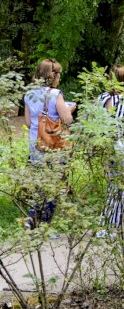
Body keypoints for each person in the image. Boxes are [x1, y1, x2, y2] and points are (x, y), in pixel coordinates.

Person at [23, 59, 77, 227]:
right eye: (58, 73)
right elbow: (67, 120)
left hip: (35, 147)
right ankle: (44, 226)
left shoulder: (29, 94)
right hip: (54, 148)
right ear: (52, 75)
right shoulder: (55, 94)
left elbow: (29, 123)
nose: (59, 77)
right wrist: (70, 108)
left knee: (38, 186)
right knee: (54, 187)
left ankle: (31, 219)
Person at [97, 65, 124, 231]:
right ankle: (110, 225)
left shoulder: (101, 98)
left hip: (105, 146)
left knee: (113, 186)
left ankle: (117, 218)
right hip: (122, 148)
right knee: (120, 188)